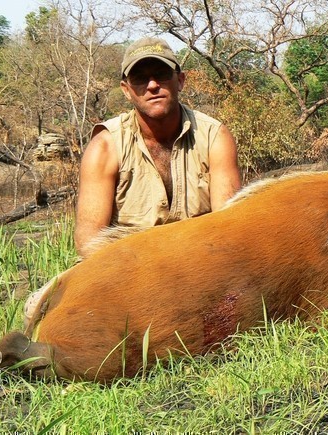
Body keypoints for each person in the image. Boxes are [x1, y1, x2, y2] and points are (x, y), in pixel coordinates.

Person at [23, 37, 241, 328]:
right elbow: (88, 243)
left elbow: (230, 230)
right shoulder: (105, 146)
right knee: (37, 310)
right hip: (126, 268)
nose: (152, 86)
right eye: (140, 78)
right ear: (127, 90)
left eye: (162, 75)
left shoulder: (215, 137)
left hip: (197, 266)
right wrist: (149, 274)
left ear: (180, 80)